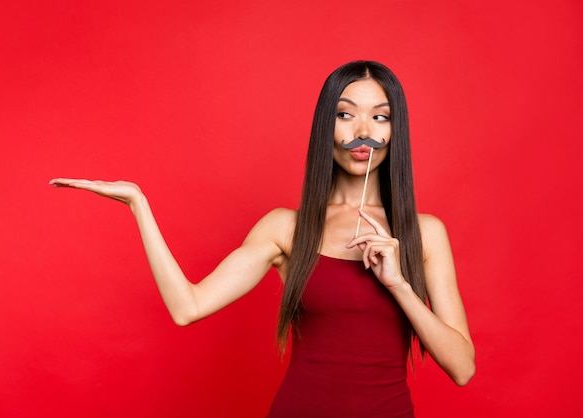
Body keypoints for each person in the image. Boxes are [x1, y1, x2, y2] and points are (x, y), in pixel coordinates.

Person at [50, 60, 475, 417]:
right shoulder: (285, 229)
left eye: (379, 116)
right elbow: (187, 307)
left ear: (393, 131)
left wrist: (397, 283)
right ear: (325, 127)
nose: (362, 128)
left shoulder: (425, 234)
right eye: (345, 114)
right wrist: (138, 205)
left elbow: (462, 368)